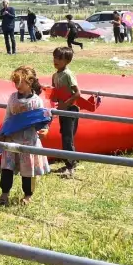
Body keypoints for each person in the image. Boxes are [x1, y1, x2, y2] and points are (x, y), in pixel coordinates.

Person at [0, 66, 50, 205]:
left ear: (30, 82)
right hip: (12, 139)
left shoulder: (36, 101)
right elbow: (8, 116)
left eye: (21, 82)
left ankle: (27, 195)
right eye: (15, 82)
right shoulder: (13, 98)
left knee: (28, 170)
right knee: (7, 168)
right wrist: (3, 132)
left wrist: (45, 129)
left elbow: (42, 118)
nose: (17, 85)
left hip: (28, 140)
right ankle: (4, 194)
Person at [51, 47, 80, 175]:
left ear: (67, 61)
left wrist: (66, 104)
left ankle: (71, 166)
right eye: (54, 57)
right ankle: (71, 161)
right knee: (65, 135)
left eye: (59, 58)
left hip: (70, 110)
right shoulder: (55, 75)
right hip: (62, 110)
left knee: (68, 137)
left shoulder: (68, 74)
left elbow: (77, 93)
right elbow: (56, 93)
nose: (55, 60)